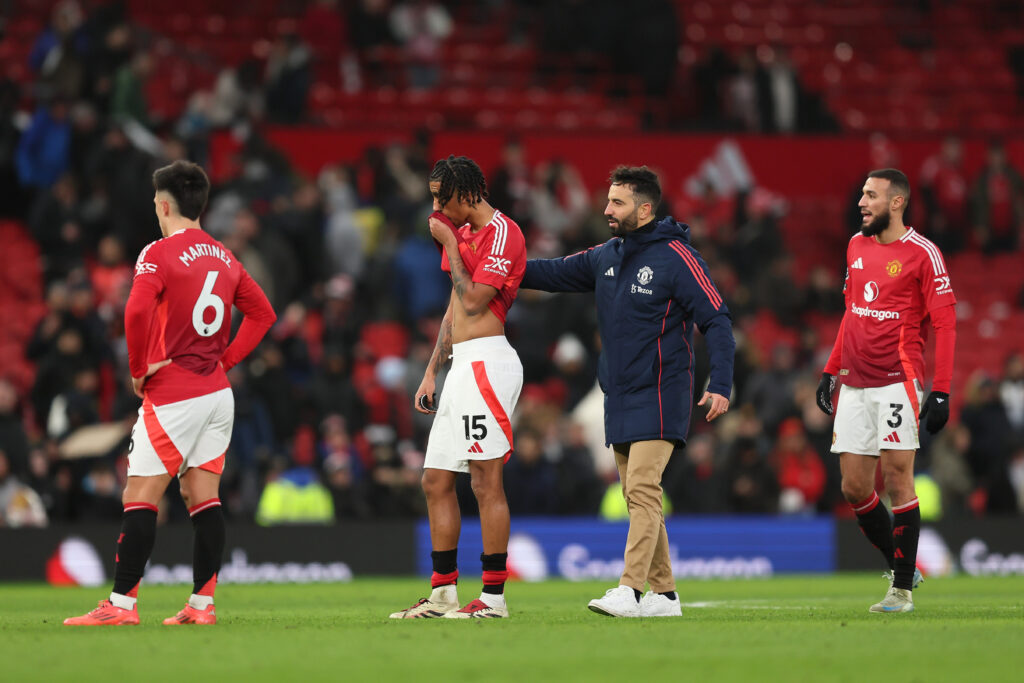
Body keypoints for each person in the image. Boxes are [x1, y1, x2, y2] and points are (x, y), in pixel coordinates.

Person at [64, 161, 276, 626]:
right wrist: (227, 361)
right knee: (204, 496)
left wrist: (138, 368)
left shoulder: (157, 252)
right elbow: (263, 315)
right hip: (218, 394)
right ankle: (202, 606)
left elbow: (136, 309)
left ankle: (121, 606)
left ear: (163, 204)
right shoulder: (225, 256)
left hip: (174, 390)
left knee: (140, 493)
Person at [520, 166, 735, 618]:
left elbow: (716, 318)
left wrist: (720, 383)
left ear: (644, 208)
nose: (607, 210)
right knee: (639, 497)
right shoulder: (608, 255)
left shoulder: (678, 256)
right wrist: (499, 267)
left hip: (663, 391)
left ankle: (629, 588)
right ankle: (665, 595)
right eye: (608, 200)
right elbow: (554, 273)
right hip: (618, 395)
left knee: (641, 488)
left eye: (617, 203)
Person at [389, 155, 526, 619]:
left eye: (439, 196)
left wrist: (448, 243)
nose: (434, 206)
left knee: (486, 481)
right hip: (461, 367)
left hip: (490, 362)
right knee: (435, 479)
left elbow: (474, 298)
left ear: (466, 193)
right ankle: (443, 591)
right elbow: (454, 308)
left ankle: (493, 598)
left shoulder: (503, 234)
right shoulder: (466, 234)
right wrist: (432, 369)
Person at [816, 168, 956, 613]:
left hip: (897, 380)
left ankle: (901, 590)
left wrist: (942, 390)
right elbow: (851, 312)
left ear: (896, 203)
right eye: (861, 194)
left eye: (871, 196)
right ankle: (902, 565)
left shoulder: (923, 254)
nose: (862, 202)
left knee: (897, 477)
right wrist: (831, 369)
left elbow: (947, 323)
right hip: (854, 383)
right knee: (855, 488)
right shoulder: (856, 246)